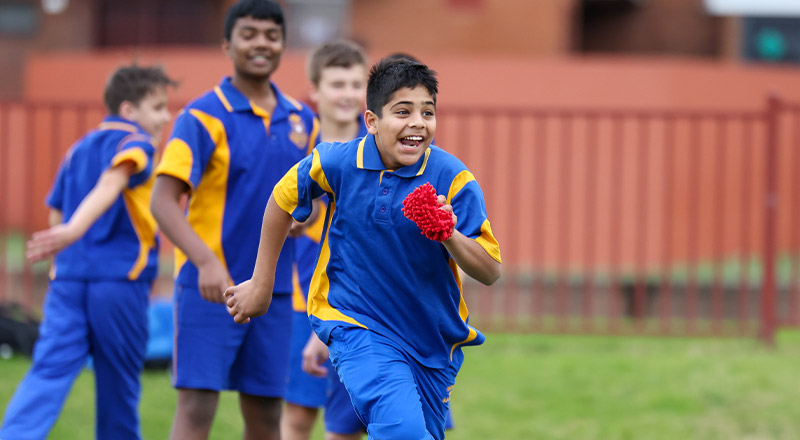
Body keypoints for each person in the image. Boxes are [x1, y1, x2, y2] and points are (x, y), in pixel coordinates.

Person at [225, 58, 502, 440]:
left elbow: (489, 270)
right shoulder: (337, 162)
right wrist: (261, 283)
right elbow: (282, 198)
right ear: (371, 121)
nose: (418, 122)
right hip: (355, 324)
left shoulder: (453, 178)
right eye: (402, 112)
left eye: (427, 112)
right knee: (402, 432)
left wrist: (448, 233)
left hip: (431, 341)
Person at [149, 1, 318, 439]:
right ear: (228, 44)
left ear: (283, 43)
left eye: (271, 34)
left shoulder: (304, 120)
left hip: (277, 292)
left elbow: (313, 203)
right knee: (197, 407)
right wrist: (204, 261)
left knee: (265, 413)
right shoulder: (202, 116)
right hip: (210, 288)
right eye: (249, 34)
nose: (261, 43)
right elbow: (163, 201)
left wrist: (303, 218)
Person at [1, 64, 175, 440]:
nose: (166, 116)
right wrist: (75, 229)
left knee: (47, 372)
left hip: (67, 279)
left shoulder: (75, 150)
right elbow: (113, 181)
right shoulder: (138, 144)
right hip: (119, 282)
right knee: (119, 387)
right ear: (129, 110)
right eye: (159, 107)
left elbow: (56, 210)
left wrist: (64, 241)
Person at [282, 39, 369, 440]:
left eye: (356, 84)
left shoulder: (379, 150)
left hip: (365, 304)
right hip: (305, 300)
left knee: (351, 420)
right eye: (337, 84)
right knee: (298, 416)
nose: (348, 94)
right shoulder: (297, 149)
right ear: (314, 90)